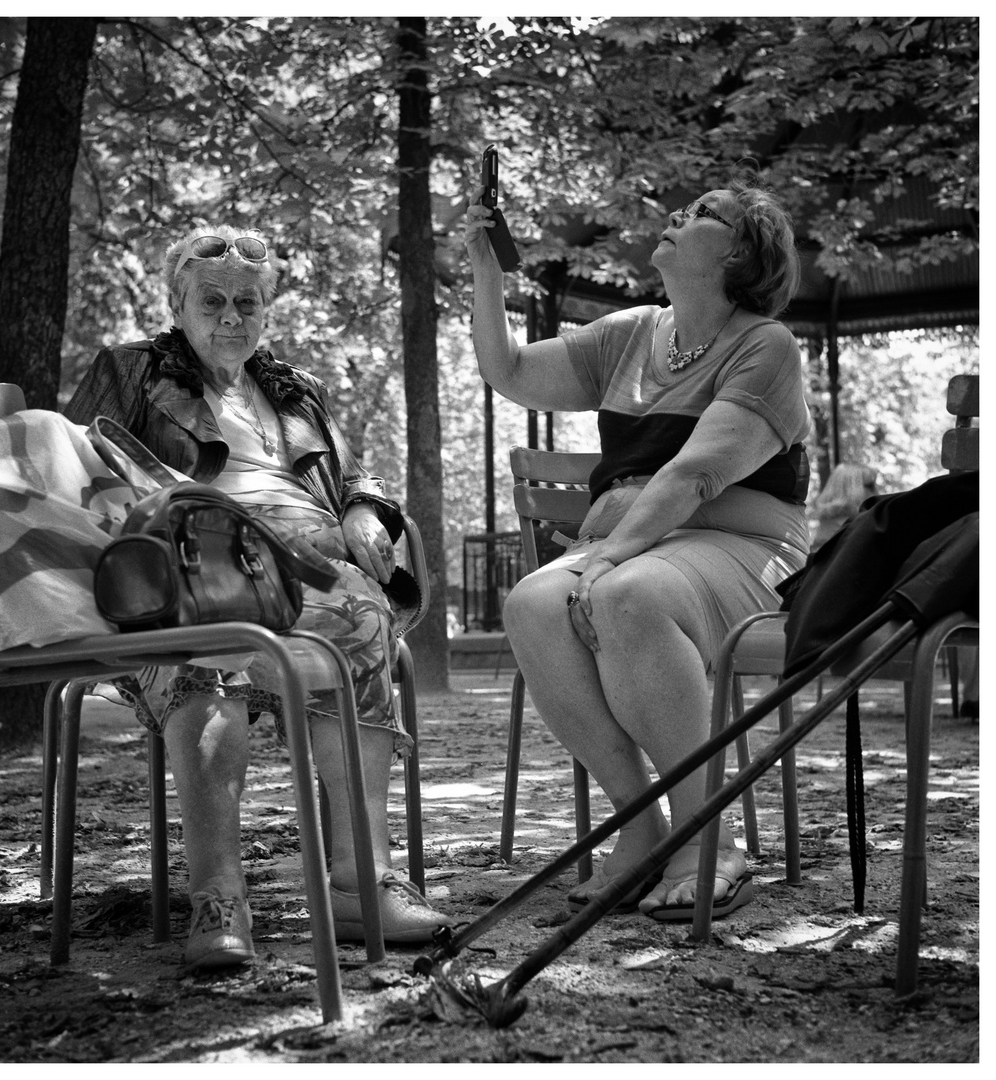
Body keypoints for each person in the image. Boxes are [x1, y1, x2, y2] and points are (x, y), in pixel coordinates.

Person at [65, 225, 453, 970]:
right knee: (215, 634)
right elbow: (83, 469)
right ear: (178, 305)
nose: (231, 315)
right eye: (212, 300)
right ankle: (219, 896)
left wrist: (365, 509)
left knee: (367, 617)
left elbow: (350, 476)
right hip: (183, 566)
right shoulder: (130, 371)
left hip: (307, 572)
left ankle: (359, 879)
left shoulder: (294, 389)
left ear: (268, 312)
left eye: (248, 301)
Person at [464, 167, 811, 920]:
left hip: (742, 547)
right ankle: (641, 824)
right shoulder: (631, 335)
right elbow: (512, 371)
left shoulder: (768, 347)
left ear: (738, 256)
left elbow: (693, 476)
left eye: (703, 211)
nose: (676, 214)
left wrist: (609, 554)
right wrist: (486, 270)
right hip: (638, 545)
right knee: (532, 604)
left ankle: (708, 836)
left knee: (626, 594)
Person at [810, 462, 878, 550]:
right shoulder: (853, 524)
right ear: (851, 489)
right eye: (870, 486)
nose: (876, 492)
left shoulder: (830, 521)